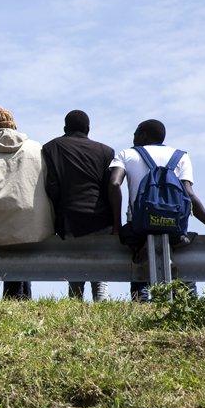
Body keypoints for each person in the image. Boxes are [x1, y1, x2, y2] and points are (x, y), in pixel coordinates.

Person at [108, 119, 205, 301]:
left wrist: (117, 226)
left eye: (135, 134)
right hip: (174, 229)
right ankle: (186, 306)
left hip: (139, 228)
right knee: (183, 270)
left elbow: (114, 183)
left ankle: (141, 306)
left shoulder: (127, 154)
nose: (133, 138)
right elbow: (189, 195)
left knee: (139, 268)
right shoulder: (181, 156)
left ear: (143, 135)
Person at [0, 107, 53, 300]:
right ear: (13, 124)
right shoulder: (36, 149)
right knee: (22, 253)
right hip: (34, 222)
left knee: (4, 241)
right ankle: (19, 298)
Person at [42, 110, 114, 301]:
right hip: (100, 219)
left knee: (75, 274)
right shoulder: (106, 151)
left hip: (69, 218)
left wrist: (56, 217)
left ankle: (76, 308)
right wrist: (116, 223)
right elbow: (111, 190)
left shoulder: (51, 147)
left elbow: (51, 187)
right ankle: (102, 307)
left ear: (65, 128)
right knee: (100, 278)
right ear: (88, 129)